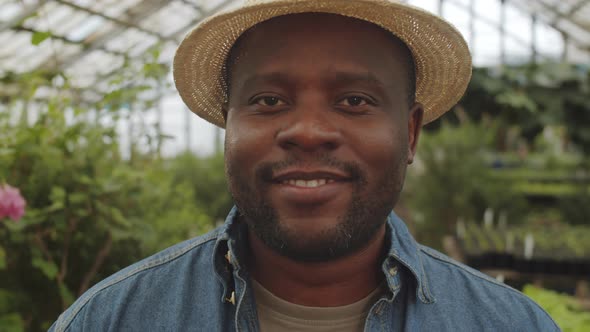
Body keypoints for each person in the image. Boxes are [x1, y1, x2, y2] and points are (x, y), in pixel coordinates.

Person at [50, 0, 559, 331]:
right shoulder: (112, 319)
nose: (309, 131)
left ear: (409, 133)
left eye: (355, 100)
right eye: (269, 101)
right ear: (229, 127)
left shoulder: (510, 324)